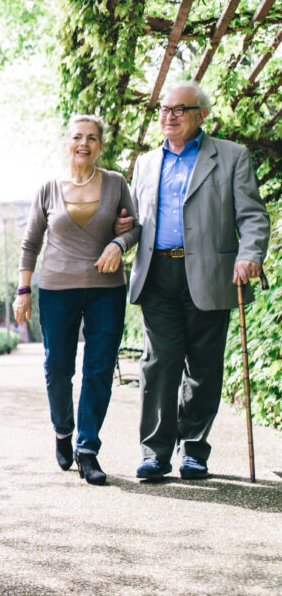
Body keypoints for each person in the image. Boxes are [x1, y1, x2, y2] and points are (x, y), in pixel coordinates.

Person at [120, 82, 270, 482]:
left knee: (204, 368)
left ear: (201, 115)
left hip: (211, 273)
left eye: (179, 110)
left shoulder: (232, 157)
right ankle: (154, 452)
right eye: (164, 110)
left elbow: (253, 215)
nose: (168, 116)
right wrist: (120, 235)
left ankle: (194, 451)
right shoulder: (147, 164)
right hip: (158, 275)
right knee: (159, 364)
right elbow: (136, 220)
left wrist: (249, 254)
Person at [14, 115, 140, 486]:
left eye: (92, 138)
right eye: (77, 137)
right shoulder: (49, 188)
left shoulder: (116, 183)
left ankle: (88, 450)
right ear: (66, 143)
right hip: (56, 289)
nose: (83, 143)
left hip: (106, 290)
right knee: (58, 368)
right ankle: (63, 431)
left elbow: (134, 226)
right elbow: (31, 242)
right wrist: (23, 291)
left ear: (101, 145)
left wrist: (118, 243)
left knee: (99, 370)